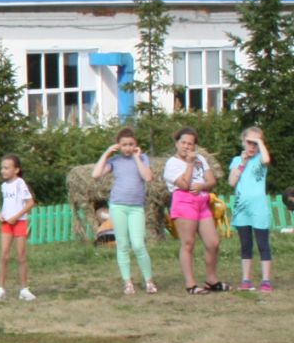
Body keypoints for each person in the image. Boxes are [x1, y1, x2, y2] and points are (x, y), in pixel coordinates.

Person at [93, 130, 158, 295]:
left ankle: (149, 281)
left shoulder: (143, 159)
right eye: (124, 145)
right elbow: (96, 174)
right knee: (122, 244)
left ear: (135, 144)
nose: (128, 148)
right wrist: (107, 153)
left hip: (136, 207)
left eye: (131, 144)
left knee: (138, 244)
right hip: (118, 206)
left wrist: (137, 157)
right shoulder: (115, 161)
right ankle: (127, 282)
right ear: (119, 145)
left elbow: (148, 177)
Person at [164, 128, 223, 293]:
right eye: (183, 142)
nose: (186, 146)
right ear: (176, 143)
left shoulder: (201, 159)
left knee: (213, 243)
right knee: (188, 243)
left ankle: (211, 279)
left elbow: (211, 180)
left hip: (202, 201)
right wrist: (189, 164)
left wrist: (203, 185)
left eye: (190, 143)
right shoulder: (172, 163)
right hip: (184, 202)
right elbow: (183, 184)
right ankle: (190, 284)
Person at [229, 126, 274, 292]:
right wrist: (243, 162)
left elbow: (267, 160)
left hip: (259, 208)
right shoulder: (236, 160)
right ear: (243, 142)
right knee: (246, 244)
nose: (252, 146)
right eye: (249, 142)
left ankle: (266, 280)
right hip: (242, 209)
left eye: (256, 143)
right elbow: (232, 182)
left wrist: (259, 142)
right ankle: (246, 279)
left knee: (263, 243)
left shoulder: (261, 159)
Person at [0, 154, 36, 301]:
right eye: (2, 168)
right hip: (6, 224)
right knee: (4, 255)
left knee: (21, 256)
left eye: (6, 168)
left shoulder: (20, 183)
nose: (3, 170)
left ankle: (24, 289)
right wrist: (1, 214)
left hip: (19, 223)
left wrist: (16, 217)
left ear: (16, 170)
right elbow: (7, 205)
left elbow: (30, 203)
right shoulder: (3, 186)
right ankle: (1, 289)